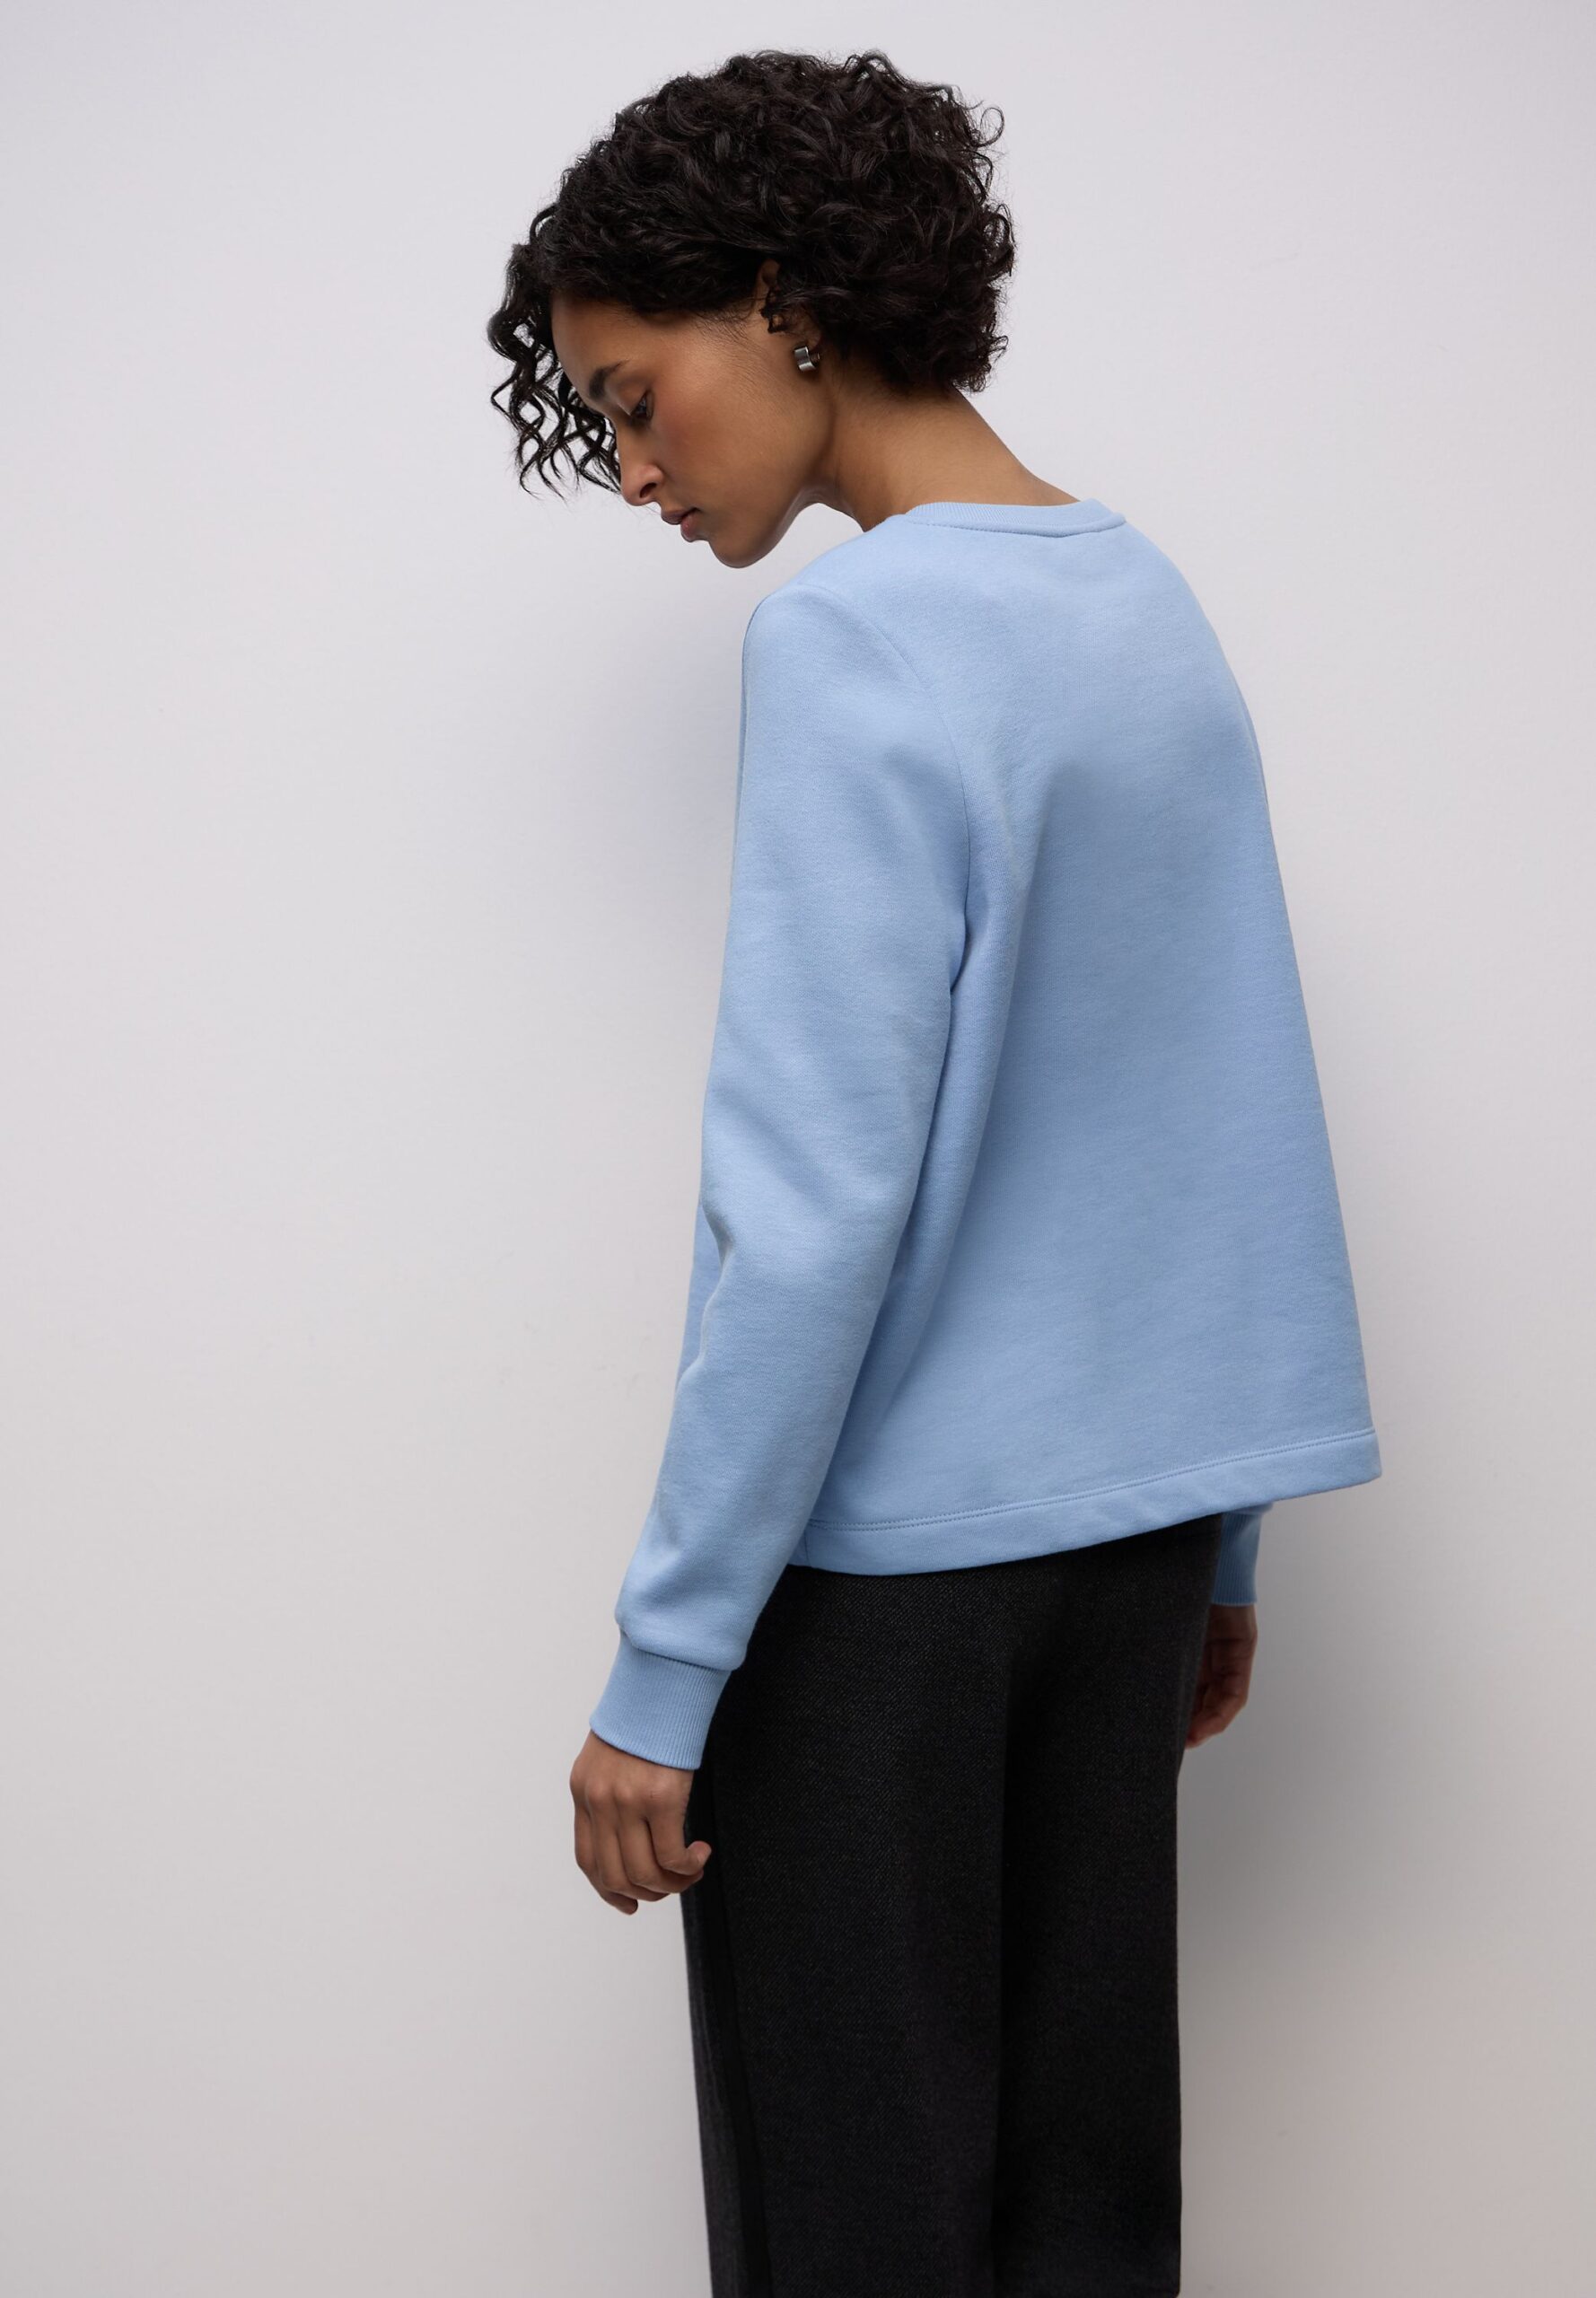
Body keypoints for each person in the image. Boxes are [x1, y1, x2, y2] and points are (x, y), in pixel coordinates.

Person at [487, 46, 1380, 2298]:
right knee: (1082, 2211)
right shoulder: (1141, 598)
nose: (630, 463)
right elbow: (1203, 1103)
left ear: (784, 303)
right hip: (1126, 1565)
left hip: (880, 1601)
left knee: (852, 2228)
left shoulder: (854, 634)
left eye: (633, 395)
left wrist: (662, 1670)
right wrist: (1217, 1546)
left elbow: (808, 1207)